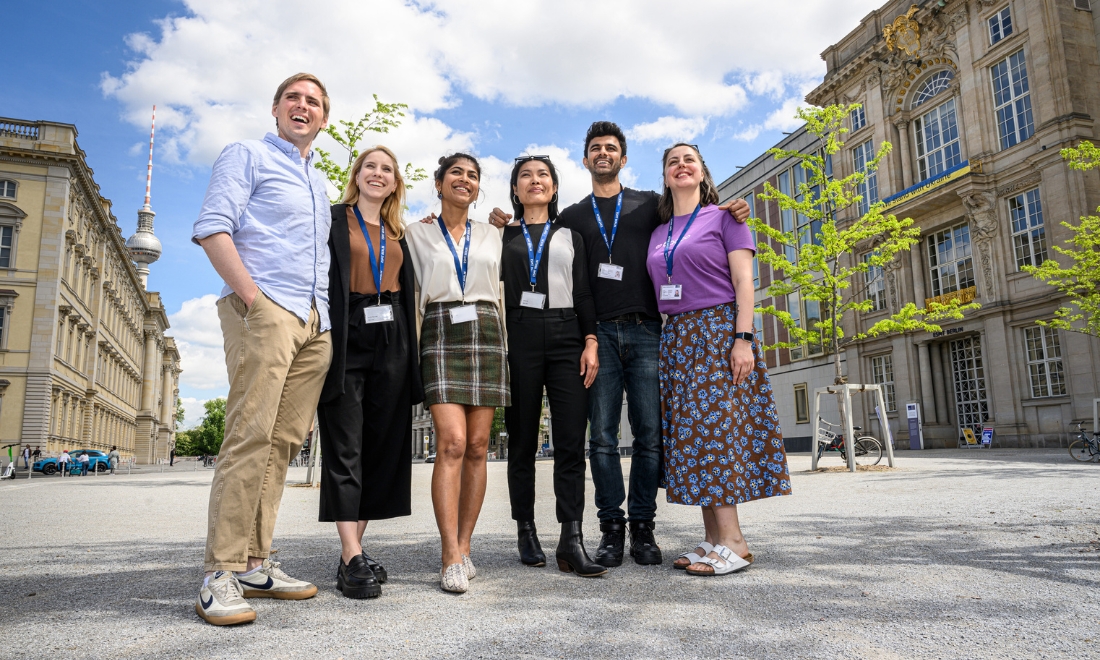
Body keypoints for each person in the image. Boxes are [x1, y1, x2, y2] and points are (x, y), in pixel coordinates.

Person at [489, 122, 750, 568]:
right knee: (603, 439)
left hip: (649, 330)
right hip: (598, 336)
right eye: (596, 149)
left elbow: (694, 218)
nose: (604, 154)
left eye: (612, 148)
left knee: (650, 436)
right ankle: (611, 529)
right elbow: (534, 240)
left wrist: (729, 207)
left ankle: (643, 529)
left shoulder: (650, 205)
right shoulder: (569, 217)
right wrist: (503, 223)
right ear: (586, 160)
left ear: (623, 158)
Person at [190, 72, 333, 625]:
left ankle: (256, 561)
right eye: (293, 98)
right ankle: (220, 571)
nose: (303, 107)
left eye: (314, 102)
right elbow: (213, 228)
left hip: (312, 320)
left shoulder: (318, 181)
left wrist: (320, 318)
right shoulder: (246, 154)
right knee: (249, 434)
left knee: (281, 443)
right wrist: (255, 300)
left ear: (323, 118)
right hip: (266, 309)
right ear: (276, 109)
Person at [646, 143, 791, 576]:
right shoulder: (658, 232)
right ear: (666, 176)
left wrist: (742, 338)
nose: (681, 165)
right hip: (676, 338)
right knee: (692, 438)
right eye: (673, 161)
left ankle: (734, 541)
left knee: (715, 434)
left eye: (690, 159)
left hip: (717, 331)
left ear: (703, 173)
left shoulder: (727, 218)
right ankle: (712, 538)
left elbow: (745, 280)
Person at [317, 146, 425, 599]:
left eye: (387, 169)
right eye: (370, 167)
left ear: (395, 182)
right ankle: (350, 555)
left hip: (394, 336)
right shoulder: (332, 219)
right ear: (356, 175)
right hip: (348, 334)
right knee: (346, 447)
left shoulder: (401, 232)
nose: (377, 174)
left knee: (382, 447)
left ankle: (353, 551)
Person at [405, 153, 509, 594]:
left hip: (487, 328)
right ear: (439, 182)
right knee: (452, 441)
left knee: (479, 446)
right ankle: (448, 553)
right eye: (456, 174)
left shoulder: (495, 233)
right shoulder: (415, 232)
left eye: (472, 176)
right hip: (439, 329)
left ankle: (465, 546)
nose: (464, 181)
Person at [500, 155, 604, 577]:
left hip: (566, 336)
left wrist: (591, 339)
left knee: (569, 443)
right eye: (526, 175)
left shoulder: (570, 234)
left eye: (543, 175)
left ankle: (571, 539)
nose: (535, 181)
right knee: (522, 440)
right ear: (515, 188)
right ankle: (525, 530)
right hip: (519, 335)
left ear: (555, 187)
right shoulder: (500, 235)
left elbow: (584, 292)